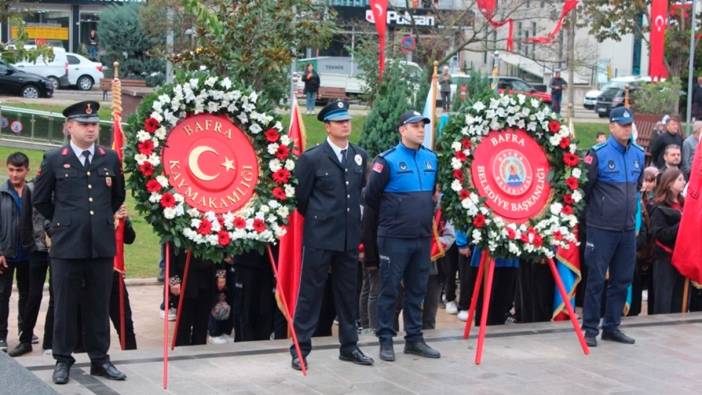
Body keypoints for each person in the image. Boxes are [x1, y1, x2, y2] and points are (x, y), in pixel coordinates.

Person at [33, 100, 126, 384]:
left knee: (98, 304)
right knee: (64, 305)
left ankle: (100, 359)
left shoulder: (109, 158)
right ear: (69, 127)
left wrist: (98, 222)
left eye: (95, 124)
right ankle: (63, 359)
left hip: (99, 245)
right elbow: (40, 200)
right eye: (84, 124)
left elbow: (117, 197)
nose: (90, 129)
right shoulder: (53, 159)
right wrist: (61, 226)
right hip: (67, 246)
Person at [290, 99, 372, 370]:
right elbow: (301, 199)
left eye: (347, 120)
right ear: (328, 126)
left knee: (347, 295)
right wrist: (321, 219)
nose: (345, 125)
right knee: (310, 295)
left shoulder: (359, 155)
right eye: (339, 121)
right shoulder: (312, 158)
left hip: (348, 239)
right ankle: (300, 349)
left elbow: (359, 192)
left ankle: (349, 347)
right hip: (320, 237)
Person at [365, 110, 441, 362]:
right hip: (393, 238)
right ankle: (386, 339)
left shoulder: (431, 159)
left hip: (421, 238)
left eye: (423, 126)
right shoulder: (386, 161)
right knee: (389, 291)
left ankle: (414, 339)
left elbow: (432, 196)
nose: (421, 130)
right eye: (415, 126)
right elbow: (370, 198)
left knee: (417, 291)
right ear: (402, 130)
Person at [582, 106, 644, 347]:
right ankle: (590, 329)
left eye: (629, 125)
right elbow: (585, 189)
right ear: (611, 126)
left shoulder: (638, 154)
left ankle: (612, 326)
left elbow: (637, 188)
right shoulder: (597, 154)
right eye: (622, 125)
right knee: (596, 279)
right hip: (601, 228)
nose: (627, 129)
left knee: (622, 279)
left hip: (626, 229)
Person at [8, 174, 55, 357]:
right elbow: (25, 219)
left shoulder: (62, 186)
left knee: (55, 296)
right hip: (36, 249)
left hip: (57, 250)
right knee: (32, 295)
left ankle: (50, 343)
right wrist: (29, 246)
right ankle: (25, 339)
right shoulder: (31, 188)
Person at [0, 152, 34, 353]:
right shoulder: (2, 192)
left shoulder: (33, 190)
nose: (15, 175)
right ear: (7, 169)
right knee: (2, 294)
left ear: (26, 170)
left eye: (19, 170)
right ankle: (1, 335)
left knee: (27, 295)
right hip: (6, 252)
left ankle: (25, 331)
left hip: (29, 253)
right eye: (11, 170)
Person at [650, 168, 687, 314]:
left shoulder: (685, 204)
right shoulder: (659, 206)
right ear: (669, 183)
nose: (683, 182)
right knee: (664, 299)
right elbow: (659, 234)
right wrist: (681, 225)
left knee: (678, 300)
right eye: (679, 179)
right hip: (665, 258)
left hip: (681, 257)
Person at [170, 248, 217, 346]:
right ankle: (181, 353)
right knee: (183, 322)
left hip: (206, 277)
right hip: (185, 278)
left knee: (202, 323)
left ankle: (199, 351)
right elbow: (170, 252)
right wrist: (173, 279)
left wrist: (221, 273)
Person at [108, 204, 137, 350]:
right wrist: (111, 221)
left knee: (125, 322)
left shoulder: (117, 205)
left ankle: (130, 354)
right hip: (93, 275)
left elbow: (130, 238)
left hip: (115, 274)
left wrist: (125, 221)